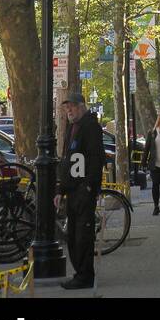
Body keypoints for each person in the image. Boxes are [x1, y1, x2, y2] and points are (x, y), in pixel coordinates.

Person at [57, 89, 106, 290]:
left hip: (83, 189)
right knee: (73, 235)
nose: (69, 110)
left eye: (72, 107)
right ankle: (80, 272)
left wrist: (88, 186)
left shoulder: (90, 127)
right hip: (72, 189)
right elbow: (67, 159)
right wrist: (61, 189)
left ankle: (85, 275)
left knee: (83, 235)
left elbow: (96, 159)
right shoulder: (72, 128)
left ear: (81, 107)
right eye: (67, 107)